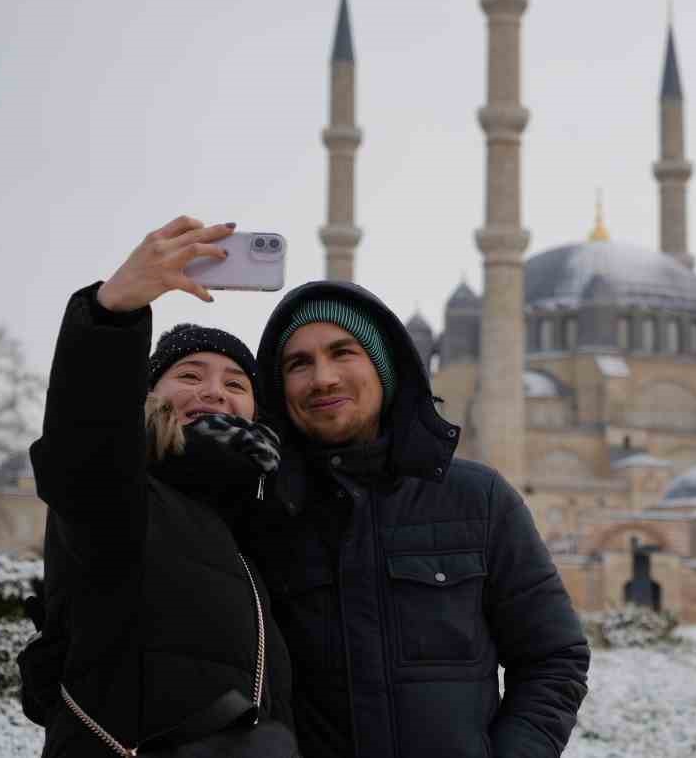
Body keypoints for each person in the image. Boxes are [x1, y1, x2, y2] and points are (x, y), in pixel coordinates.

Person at [244, 279, 590, 758]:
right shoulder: (262, 512)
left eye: (343, 353)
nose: (322, 378)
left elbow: (554, 657)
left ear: (384, 368)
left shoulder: (477, 500)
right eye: (298, 363)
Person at [29, 216, 298, 757]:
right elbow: (87, 439)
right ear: (149, 395)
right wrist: (112, 315)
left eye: (235, 383)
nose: (215, 393)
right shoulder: (123, 495)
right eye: (191, 376)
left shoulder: (259, 521)